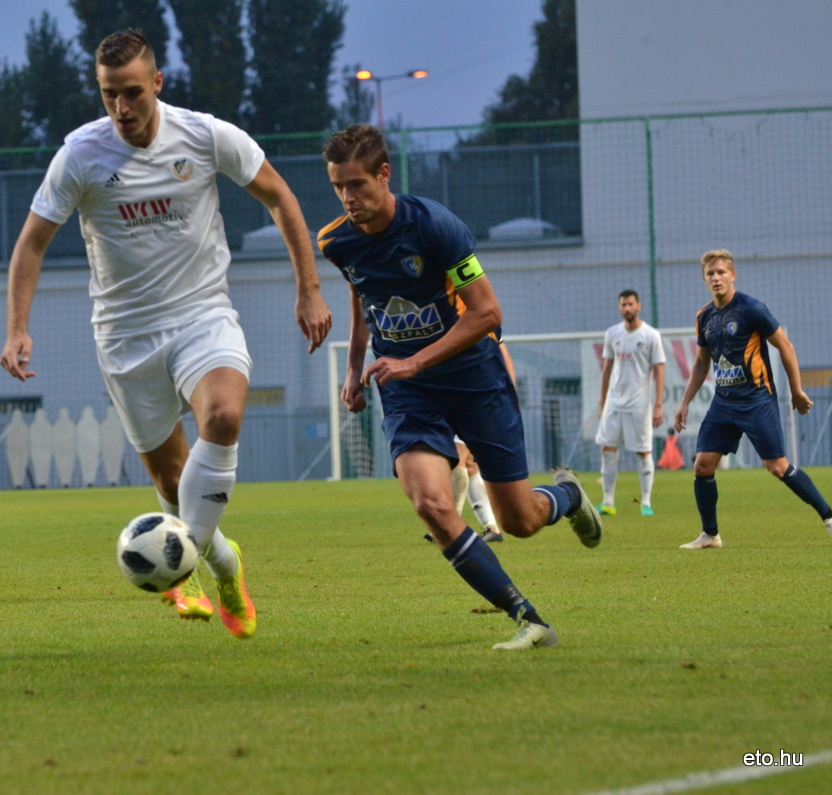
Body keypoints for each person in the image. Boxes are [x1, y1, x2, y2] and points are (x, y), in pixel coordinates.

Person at [0, 30, 333, 638]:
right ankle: (224, 567)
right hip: (125, 335)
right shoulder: (81, 155)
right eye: (108, 96)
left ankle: (170, 568)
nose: (121, 109)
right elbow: (32, 243)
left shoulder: (205, 135)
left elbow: (280, 198)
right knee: (172, 483)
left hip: (202, 314)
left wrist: (309, 287)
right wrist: (17, 328)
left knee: (225, 416)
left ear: (157, 83)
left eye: (131, 93)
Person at [318, 124, 603, 651]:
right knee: (430, 501)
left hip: (474, 377)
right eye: (338, 187)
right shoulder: (336, 241)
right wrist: (355, 368)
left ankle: (566, 496)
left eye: (356, 184)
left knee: (520, 521)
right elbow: (363, 296)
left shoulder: (436, 227)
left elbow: (488, 312)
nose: (347, 198)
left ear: (384, 174)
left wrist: (414, 361)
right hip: (408, 392)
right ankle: (529, 618)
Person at [674, 249, 832, 548]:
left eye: (721, 272)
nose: (716, 278)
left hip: (757, 400)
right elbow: (700, 363)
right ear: (704, 279)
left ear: (733, 275)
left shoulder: (752, 309)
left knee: (778, 467)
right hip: (723, 402)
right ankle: (710, 534)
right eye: (711, 274)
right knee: (703, 465)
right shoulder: (704, 316)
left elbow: (786, 346)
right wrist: (684, 402)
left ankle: (829, 516)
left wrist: (797, 391)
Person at [595, 290, 666, 516]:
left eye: (631, 304)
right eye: (623, 305)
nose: (627, 309)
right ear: (619, 307)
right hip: (614, 403)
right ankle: (608, 501)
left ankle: (646, 502)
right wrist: (602, 402)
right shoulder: (612, 333)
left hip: (639, 404)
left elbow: (660, 370)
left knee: (643, 452)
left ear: (639, 306)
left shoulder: (651, 336)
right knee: (607, 449)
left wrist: (658, 405)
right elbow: (606, 369)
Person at [452, 341, 518, 543]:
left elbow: (505, 361)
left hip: (478, 400)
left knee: (458, 459)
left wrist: (510, 398)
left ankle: (450, 524)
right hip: (458, 399)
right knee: (470, 465)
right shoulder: (447, 326)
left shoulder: (484, 329)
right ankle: (491, 527)